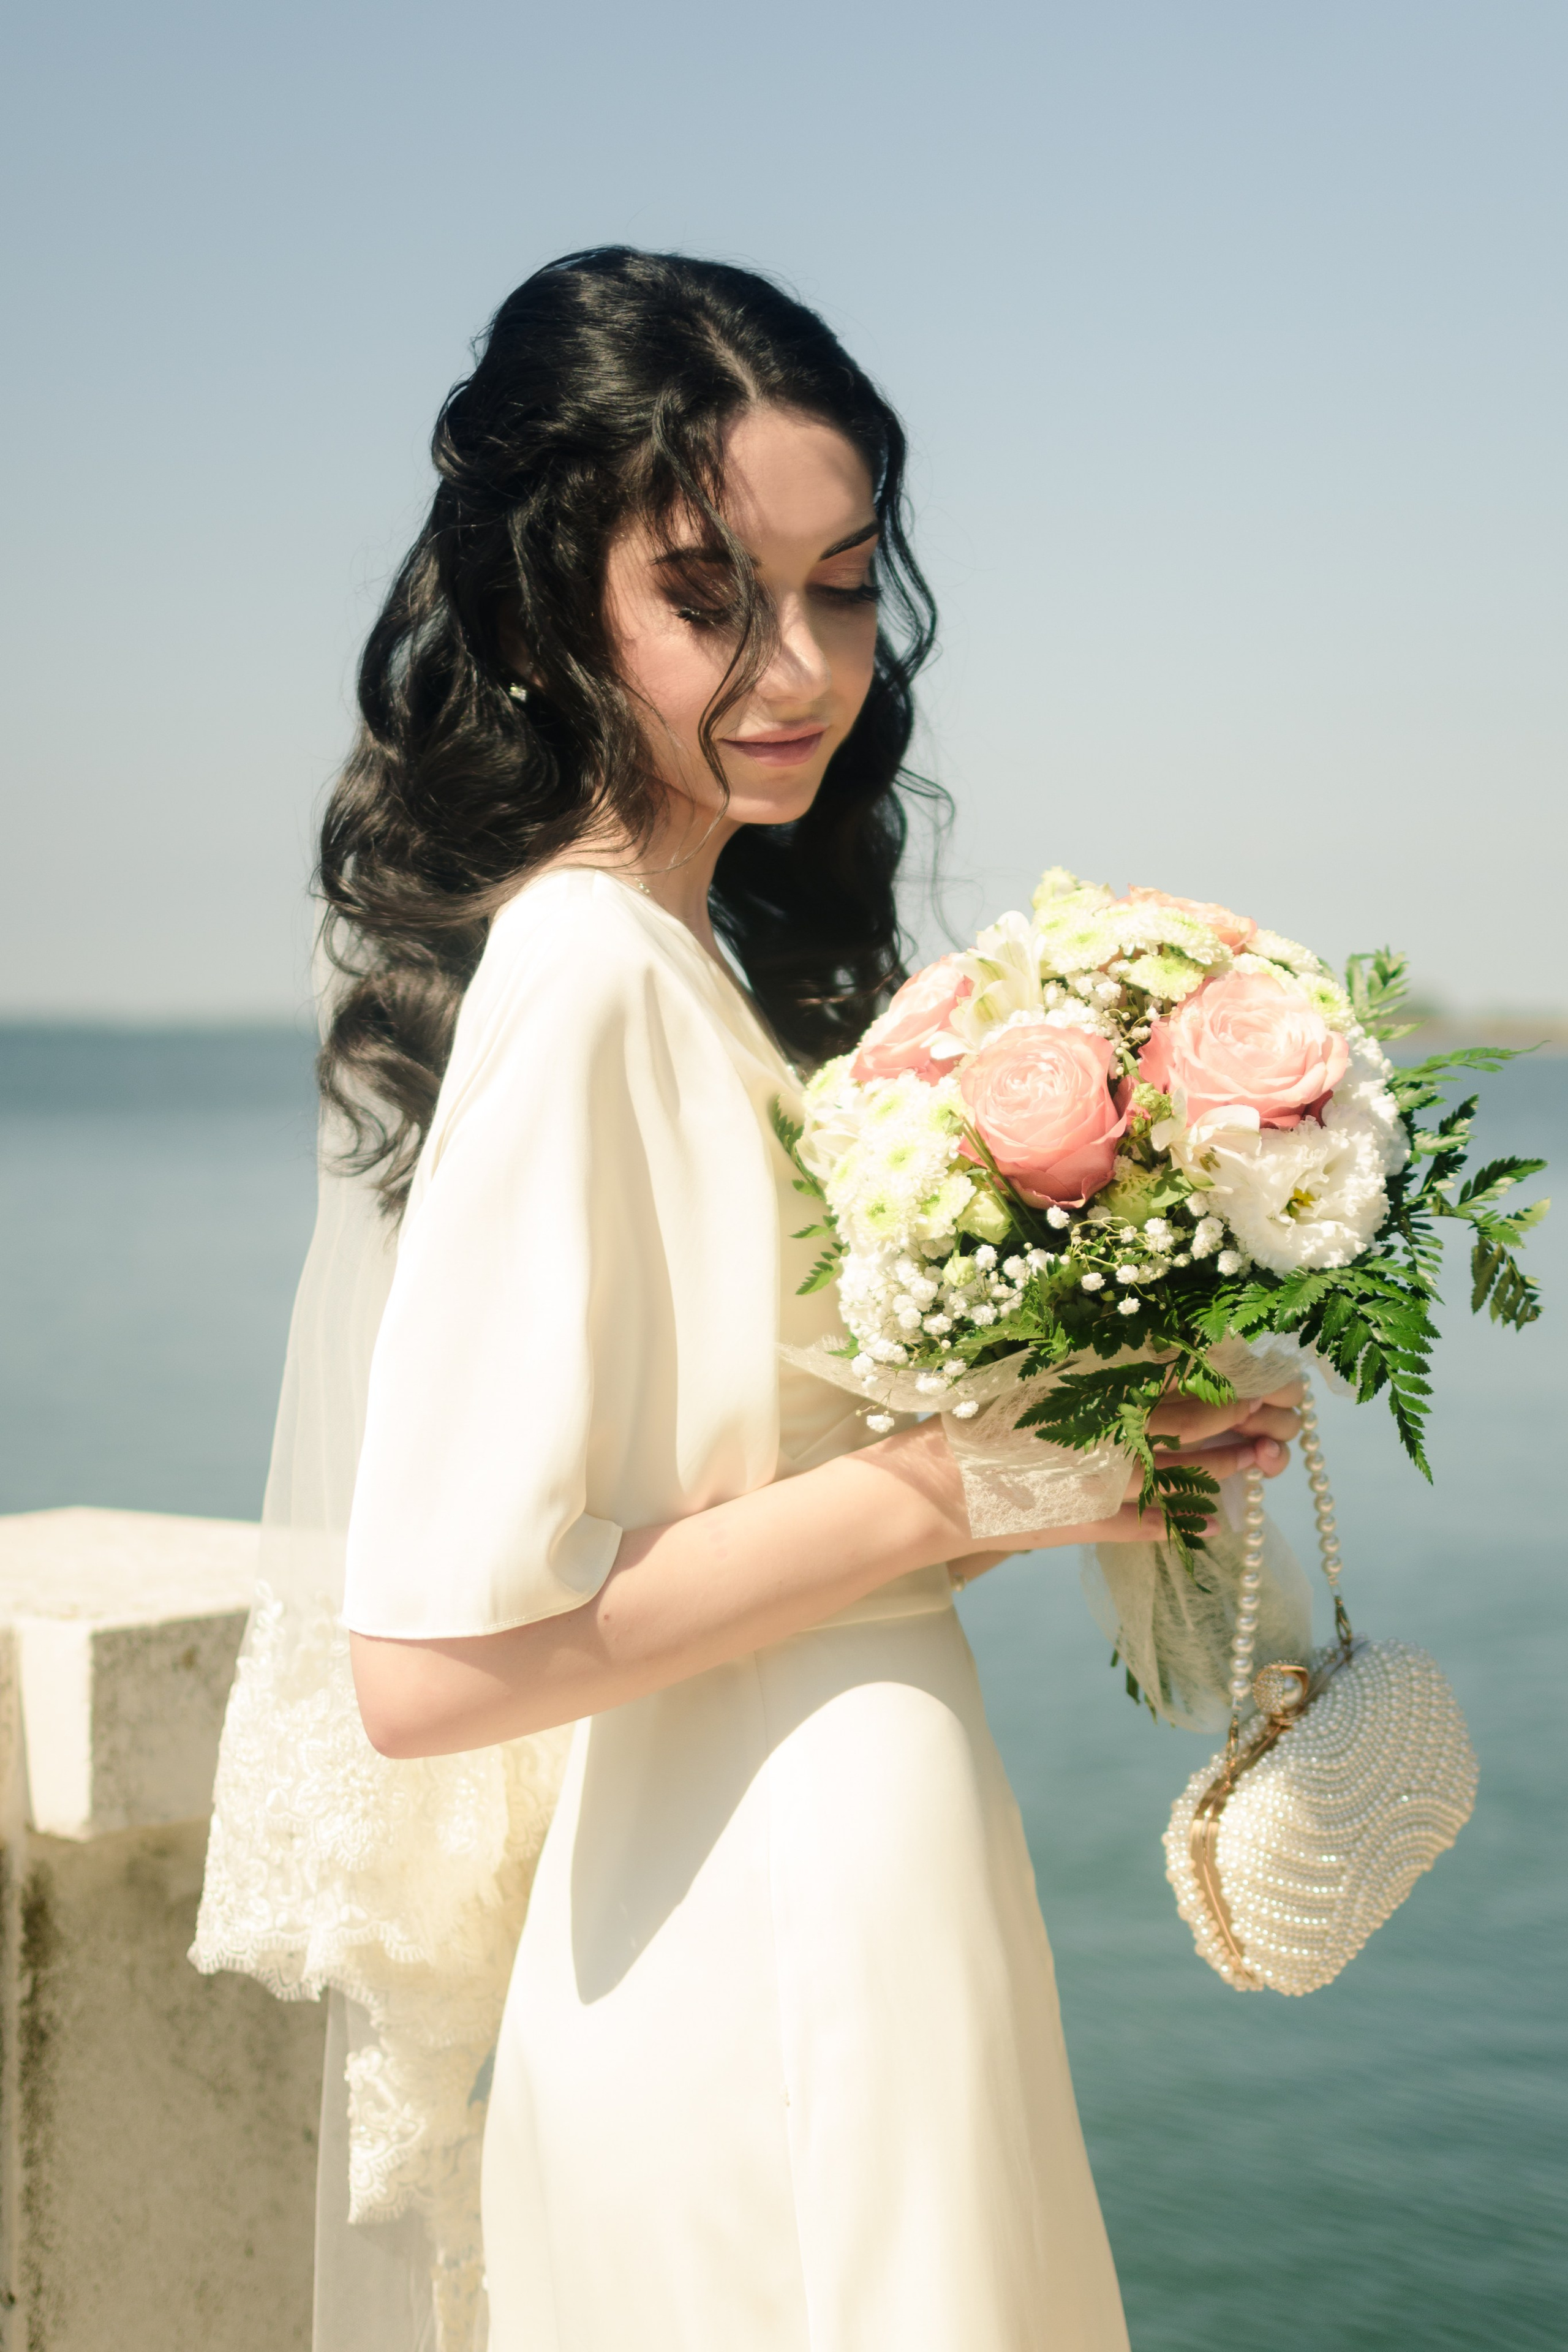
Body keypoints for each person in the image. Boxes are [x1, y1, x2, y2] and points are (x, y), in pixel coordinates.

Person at [196, 247, 1300, 2352]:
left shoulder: (691, 966)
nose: (801, 666)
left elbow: (747, 1509)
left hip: (818, 1862)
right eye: (712, 595)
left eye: (843, 583)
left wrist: (1103, 1448)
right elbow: (428, 1670)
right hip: (764, 1925)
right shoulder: (592, 968)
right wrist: (974, 1484)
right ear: (549, 606)